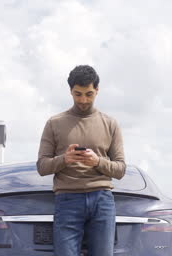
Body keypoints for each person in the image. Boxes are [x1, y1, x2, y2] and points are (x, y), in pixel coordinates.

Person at [37, 65, 126, 256]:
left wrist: (97, 161)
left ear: (97, 90)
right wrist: (64, 159)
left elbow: (120, 170)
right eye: (78, 94)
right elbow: (42, 166)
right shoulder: (54, 123)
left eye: (89, 94)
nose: (83, 100)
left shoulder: (110, 123)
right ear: (70, 91)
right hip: (67, 199)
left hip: (102, 200)